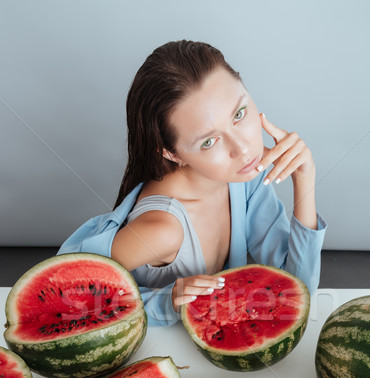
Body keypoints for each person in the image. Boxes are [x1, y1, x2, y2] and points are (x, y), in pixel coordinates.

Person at [58, 40, 326, 326]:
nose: (243, 149)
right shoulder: (162, 230)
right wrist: (163, 302)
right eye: (209, 142)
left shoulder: (242, 178)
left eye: (239, 114)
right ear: (171, 153)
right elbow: (65, 296)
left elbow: (297, 295)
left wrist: (304, 181)